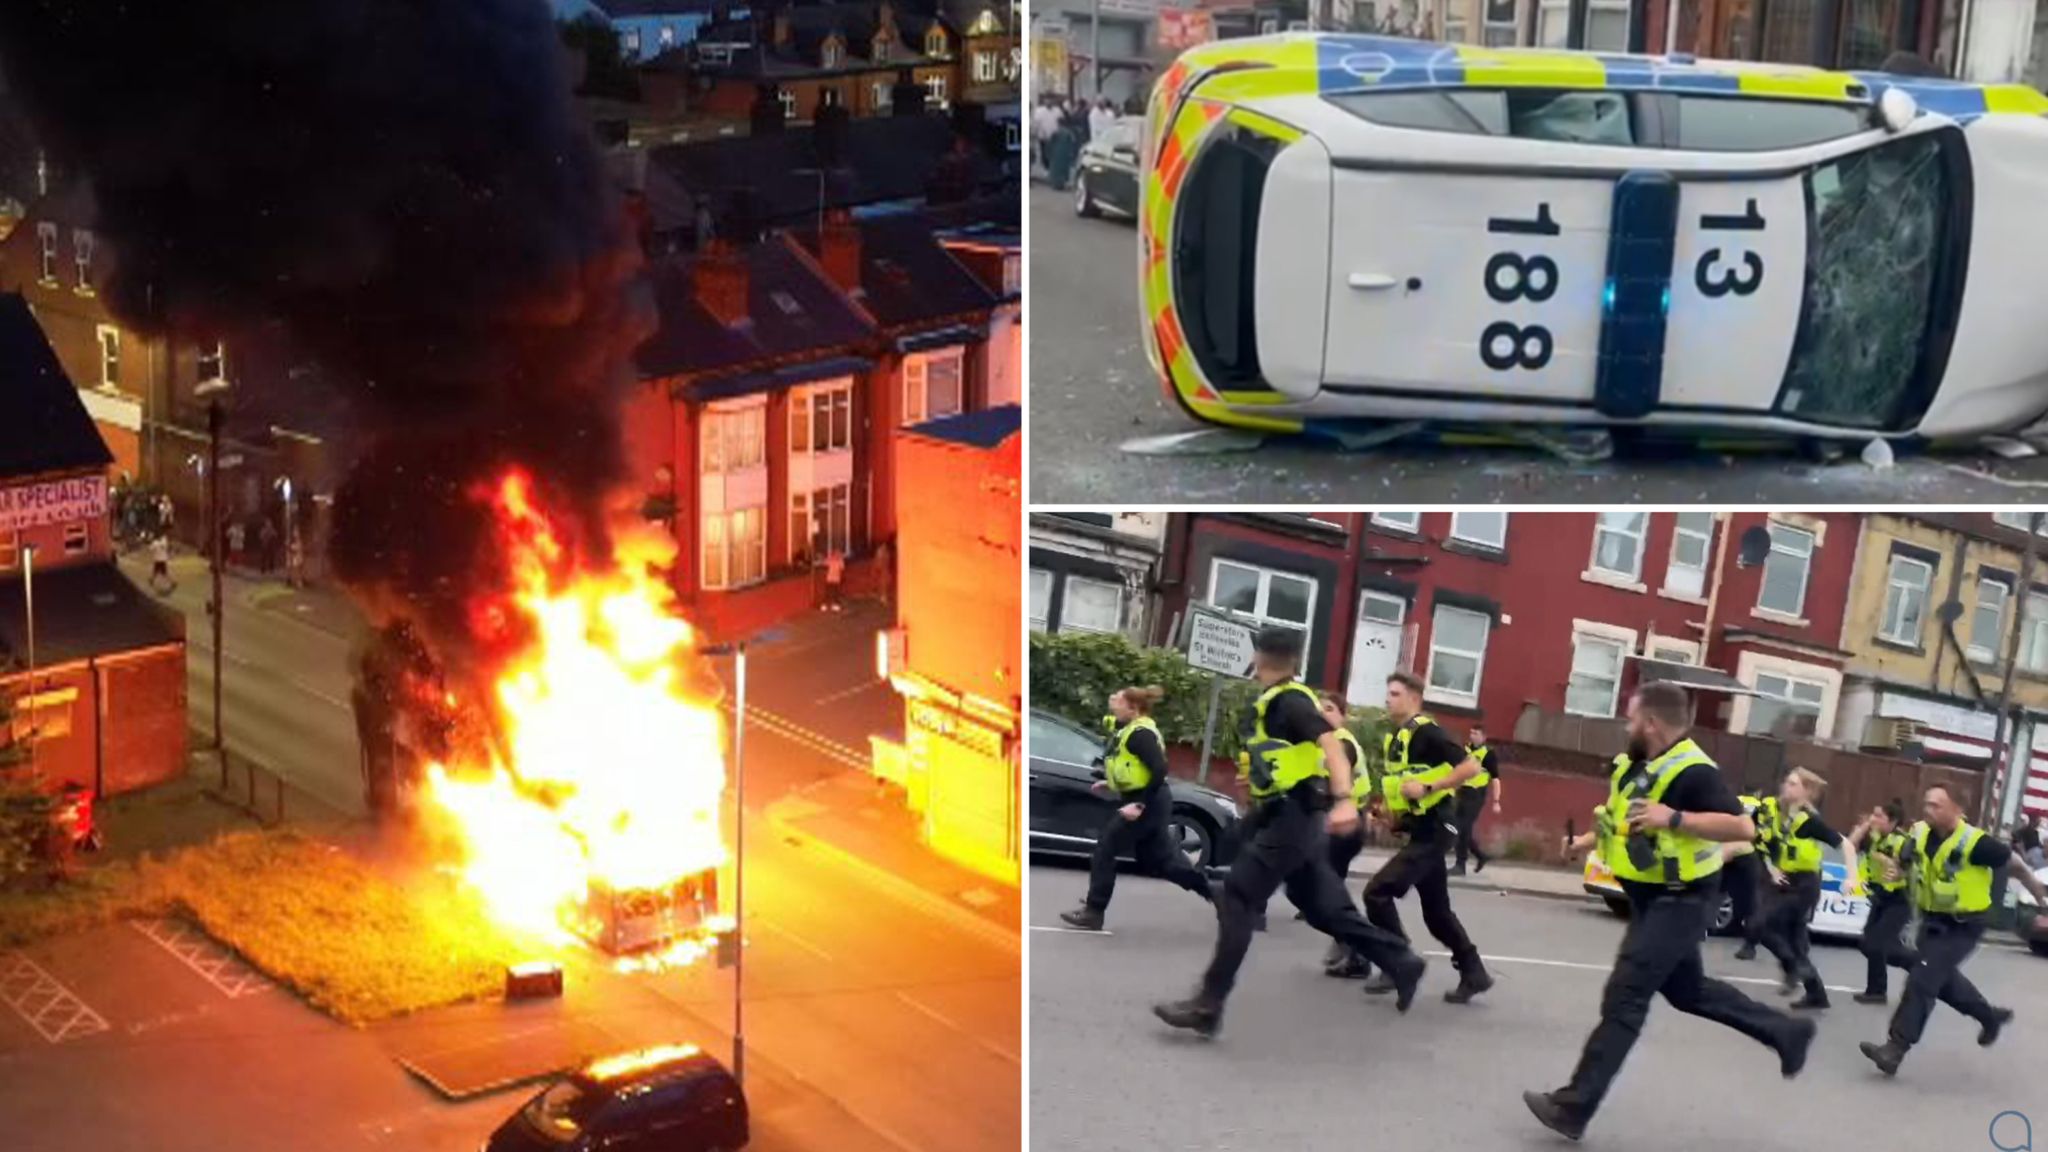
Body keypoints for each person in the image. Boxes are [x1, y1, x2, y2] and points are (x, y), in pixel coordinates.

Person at [1526, 682, 1815, 1140]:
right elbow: (1623, 819)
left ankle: (1573, 1107)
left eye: (1631, 717)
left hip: (1682, 900)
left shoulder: (1695, 771)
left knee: (1626, 994)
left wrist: (1674, 818)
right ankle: (1786, 1032)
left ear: (1651, 723)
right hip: (1650, 898)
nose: (1627, 725)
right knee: (1689, 991)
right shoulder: (1639, 764)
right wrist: (1583, 842)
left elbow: (1741, 827)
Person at [1153, 626, 1425, 1037]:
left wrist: (1346, 800)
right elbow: (1292, 758)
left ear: (1259, 657)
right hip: (1286, 813)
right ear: (1294, 659)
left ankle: (1208, 1004)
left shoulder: (1291, 702)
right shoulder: (1280, 701)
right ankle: (1402, 961)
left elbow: (1331, 745)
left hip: (1295, 817)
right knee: (1320, 906)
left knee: (1238, 895)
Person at [1861, 783, 2048, 1076]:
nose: (1929, 810)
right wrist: (1898, 869)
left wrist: (2042, 900)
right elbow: (1907, 860)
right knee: (1941, 980)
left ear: (1957, 810)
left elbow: (2020, 868)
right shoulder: (1920, 833)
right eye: (1927, 804)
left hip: (1963, 926)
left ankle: (1895, 1049)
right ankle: (1989, 1017)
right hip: (1931, 921)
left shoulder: (1977, 843)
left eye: (1937, 805)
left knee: (1923, 978)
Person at [1358, 672, 1493, 1004]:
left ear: (1414, 698)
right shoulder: (1399, 739)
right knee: (1437, 914)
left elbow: (1471, 767)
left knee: (1376, 892)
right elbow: (1407, 788)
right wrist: (1392, 818)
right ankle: (1474, 973)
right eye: (1387, 693)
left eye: (1395, 693)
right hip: (1422, 829)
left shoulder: (1428, 731)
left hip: (1438, 830)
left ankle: (1398, 962)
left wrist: (1430, 788)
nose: (1387, 700)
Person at [1059, 686, 1215, 930]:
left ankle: (1094, 910)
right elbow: (1133, 770)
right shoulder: (1130, 729)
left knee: (1106, 848)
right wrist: (1110, 783)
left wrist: (1139, 804)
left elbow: (1159, 769)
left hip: (1149, 803)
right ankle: (1219, 894)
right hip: (1149, 800)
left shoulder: (1140, 734)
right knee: (1159, 862)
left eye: (1118, 701)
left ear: (1133, 708)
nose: (1113, 703)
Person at [1756, 767, 1856, 1011]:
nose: (1785, 787)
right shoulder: (1777, 814)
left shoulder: (1809, 822)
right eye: (1786, 782)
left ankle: (1792, 968)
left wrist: (1851, 877)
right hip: (1785, 880)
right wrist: (1772, 869)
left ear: (1806, 792)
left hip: (1804, 885)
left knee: (1760, 924)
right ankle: (1817, 995)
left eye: (1793, 784)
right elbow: (1760, 841)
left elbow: (1847, 846)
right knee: (1797, 943)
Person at [1315, 692, 1377, 979]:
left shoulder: (1341, 743)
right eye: (1319, 709)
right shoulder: (1330, 742)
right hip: (1342, 824)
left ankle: (1357, 950)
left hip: (1346, 825)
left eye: (1329, 708)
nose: (1323, 713)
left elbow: (1334, 786)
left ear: (1342, 715)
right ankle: (1349, 945)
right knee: (1328, 890)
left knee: (1326, 891)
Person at [1848, 800, 1917, 1005]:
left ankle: (1877, 991)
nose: (1873, 819)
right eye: (1873, 814)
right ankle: (1916, 962)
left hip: (1899, 900)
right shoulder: (1876, 839)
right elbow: (1850, 845)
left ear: (1893, 821)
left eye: (1879, 816)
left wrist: (1896, 868)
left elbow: (1909, 868)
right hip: (1880, 898)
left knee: (1877, 943)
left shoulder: (1903, 842)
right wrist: (1864, 826)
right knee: (1868, 944)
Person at [1450, 721, 1500, 875]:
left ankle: (1460, 865)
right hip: (1462, 793)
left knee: (1463, 827)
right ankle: (1480, 856)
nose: (1472, 736)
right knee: (1459, 828)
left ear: (1483, 737)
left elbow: (1496, 779)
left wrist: (1496, 801)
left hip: (1476, 795)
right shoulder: (1465, 750)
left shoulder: (1488, 754)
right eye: (1471, 733)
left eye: (1476, 734)